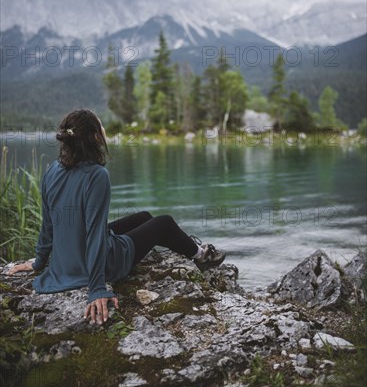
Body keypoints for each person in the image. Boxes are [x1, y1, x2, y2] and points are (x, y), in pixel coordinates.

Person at [8, 109, 225, 325]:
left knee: (144, 217)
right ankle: (202, 255)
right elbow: (94, 235)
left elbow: (48, 224)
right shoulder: (97, 175)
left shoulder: (52, 169)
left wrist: (39, 262)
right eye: (100, 125)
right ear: (94, 137)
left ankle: (186, 247)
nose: (104, 129)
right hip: (100, 265)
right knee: (164, 223)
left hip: (64, 262)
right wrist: (97, 288)